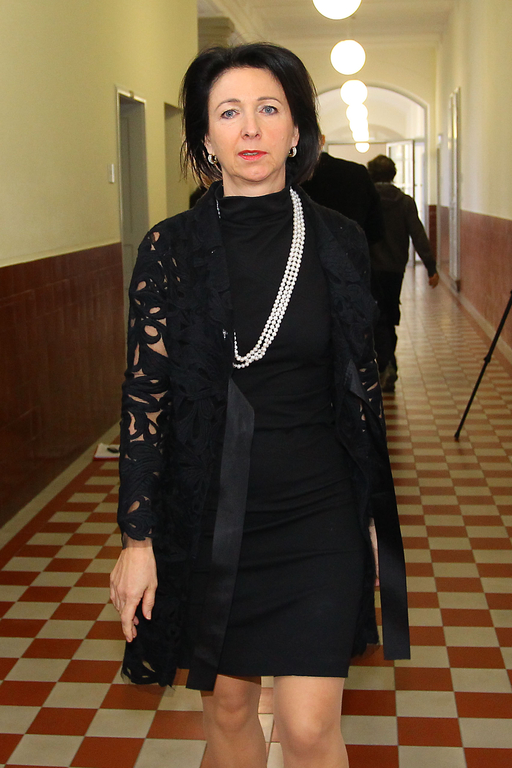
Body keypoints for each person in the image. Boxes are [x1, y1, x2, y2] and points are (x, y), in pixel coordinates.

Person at [110, 43, 409, 768]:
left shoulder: (337, 240)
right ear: (204, 138)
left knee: (308, 728)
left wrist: (373, 514)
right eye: (229, 112)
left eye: (269, 108)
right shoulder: (171, 249)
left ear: (297, 129)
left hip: (318, 512)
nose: (250, 128)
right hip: (210, 515)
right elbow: (146, 399)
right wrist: (138, 540)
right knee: (229, 711)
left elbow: (360, 394)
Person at [367, 154, 439, 392]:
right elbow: (418, 234)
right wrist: (430, 267)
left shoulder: (368, 199)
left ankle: (384, 364)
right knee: (389, 315)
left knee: (374, 316)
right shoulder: (405, 202)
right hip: (395, 269)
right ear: (394, 174)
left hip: (371, 267)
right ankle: (388, 363)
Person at [301, 138, 384, 247]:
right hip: (351, 249)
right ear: (322, 140)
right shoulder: (357, 173)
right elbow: (376, 229)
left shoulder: (293, 177)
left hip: (303, 251)